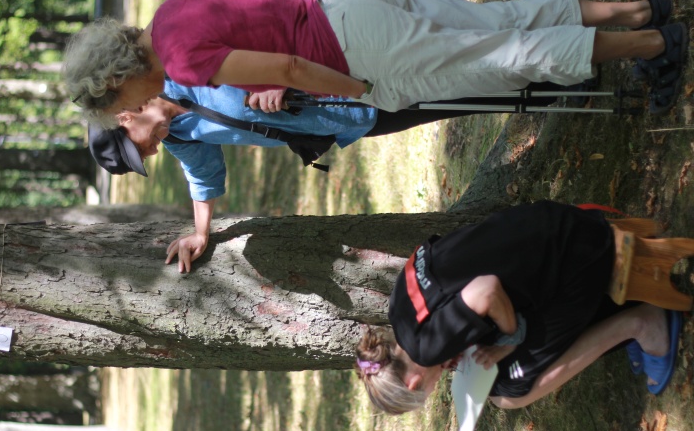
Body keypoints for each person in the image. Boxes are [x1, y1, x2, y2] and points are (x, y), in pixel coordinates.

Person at [89, 79, 569, 272]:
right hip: (338, 121)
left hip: (338, 75)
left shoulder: (174, 70)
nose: (150, 153)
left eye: (138, 150)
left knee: (444, 78)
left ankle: (551, 68)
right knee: (442, 104)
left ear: (126, 118)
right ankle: (551, 90)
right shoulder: (181, 137)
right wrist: (200, 233)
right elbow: (204, 178)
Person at [63, 0, 687, 127]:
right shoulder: (172, 8)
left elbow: (287, 72)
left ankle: (655, 44)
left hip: (355, 50)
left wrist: (358, 90)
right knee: (505, 20)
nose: (138, 105)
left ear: (116, 77)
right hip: (343, 5)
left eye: (123, 100)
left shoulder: (180, 61)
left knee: (505, 54)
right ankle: (639, 11)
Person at [355, 201, 684, 414]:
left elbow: (487, 290)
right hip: (552, 224)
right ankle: (623, 318)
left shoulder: (427, 350)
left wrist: (510, 339)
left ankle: (640, 323)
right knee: (502, 363)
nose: (434, 385)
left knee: (508, 392)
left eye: (425, 392)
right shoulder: (399, 310)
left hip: (575, 258)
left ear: (413, 384)